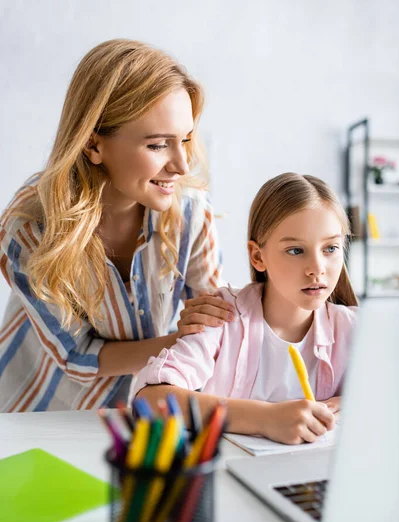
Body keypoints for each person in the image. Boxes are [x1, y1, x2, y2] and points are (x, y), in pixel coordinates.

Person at [0, 39, 234, 412]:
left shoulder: (189, 209)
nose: (182, 166)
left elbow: (215, 324)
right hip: (37, 412)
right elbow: (76, 356)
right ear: (94, 146)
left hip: (135, 410)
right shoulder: (30, 229)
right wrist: (179, 342)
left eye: (185, 140)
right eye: (158, 145)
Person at [131, 172, 359, 445]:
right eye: (296, 251)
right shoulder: (222, 316)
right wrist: (265, 418)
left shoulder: (354, 328)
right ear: (258, 256)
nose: (318, 269)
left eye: (331, 248)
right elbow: (150, 399)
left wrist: (361, 405)